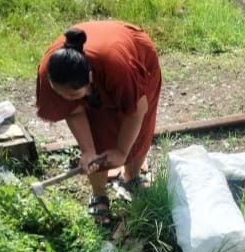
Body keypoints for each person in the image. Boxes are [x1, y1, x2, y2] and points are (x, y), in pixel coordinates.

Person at [35, 20, 161, 229]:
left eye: (73, 94)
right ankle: (99, 195)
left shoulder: (118, 68)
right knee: (99, 132)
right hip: (96, 63)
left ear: (91, 78)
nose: (66, 98)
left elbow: (137, 111)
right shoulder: (52, 73)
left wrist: (121, 151)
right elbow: (73, 111)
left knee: (138, 130)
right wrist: (88, 151)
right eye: (61, 94)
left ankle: (132, 176)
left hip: (133, 54)